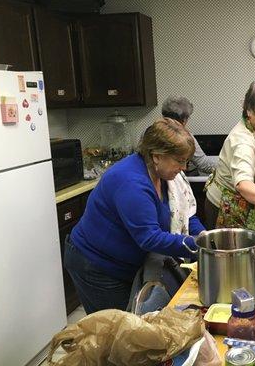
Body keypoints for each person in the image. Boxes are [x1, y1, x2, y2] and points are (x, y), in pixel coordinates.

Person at [64, 118, 205, 314]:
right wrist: (198, 245)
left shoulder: (165, 176)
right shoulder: (131, 182)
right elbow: (149, 238)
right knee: (119, 331)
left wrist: (206, 237)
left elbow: (187, 215)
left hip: (125, 262)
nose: (184, 168)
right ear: (156, 156)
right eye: (180, 161)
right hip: (97, 265)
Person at [204, 80, 255, 231]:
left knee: (253, 249)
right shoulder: (242, 141)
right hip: (228, 208)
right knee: (233, 253)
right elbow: (243, 184)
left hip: (252, 208)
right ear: (249, 110)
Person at [162, 95, 218, 174]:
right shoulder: (185, 137)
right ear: (184, 120)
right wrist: (227, 169)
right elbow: (203, 164)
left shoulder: (150, 132)